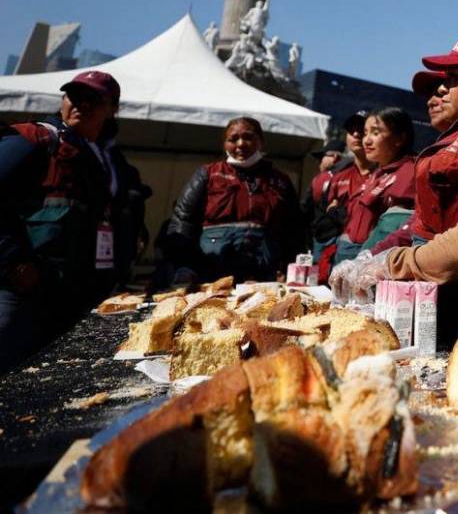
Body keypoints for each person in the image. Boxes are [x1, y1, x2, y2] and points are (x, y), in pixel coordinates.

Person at [332, 26, 458, 346]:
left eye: (454, 77)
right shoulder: (451, 138)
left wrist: (392, 263)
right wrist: (371, 255)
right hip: (432, 290)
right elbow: (420, 222)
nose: (440, 89)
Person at [0, 72, 143, 370]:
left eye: (94, 99)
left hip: (79, 298)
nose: (81, 104)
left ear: (112, 108)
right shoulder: (35, 139)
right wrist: (13, 262)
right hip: (24, 295)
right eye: (73, 96)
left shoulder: (112, 160)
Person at [163, 117, 302, 283]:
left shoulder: (280, 180)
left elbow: (295, 228)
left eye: (248, 137)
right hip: (212, 268)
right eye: (233, 139)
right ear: (224, 144)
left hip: (262, 271)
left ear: (261, 141)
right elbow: (183, 220)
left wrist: (289, 266)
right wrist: (183, 265)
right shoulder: (208, 174)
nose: (241, 144)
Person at [324, 107, 416, 269]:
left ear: (399, 138)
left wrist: (366, 260)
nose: (366, 140)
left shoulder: (409, 172)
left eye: (375, 133)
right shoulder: (378, 173)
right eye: (366, 133)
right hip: (349, 251)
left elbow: (397, 229)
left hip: (372, 260)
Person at [311, 112, 374, 270]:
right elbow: (326, 209)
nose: (356, 134)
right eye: (350, 130)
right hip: (343, 252)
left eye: (361, 129)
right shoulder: (339, 177)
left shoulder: (386, 174)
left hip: (375, 254)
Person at [299, 137, 345, 250]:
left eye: (322, 157)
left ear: (334, 157)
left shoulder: (321, 178)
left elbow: (305, 207)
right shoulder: (351, 176)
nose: (319, 162)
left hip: (326, 237)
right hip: (339, 236)